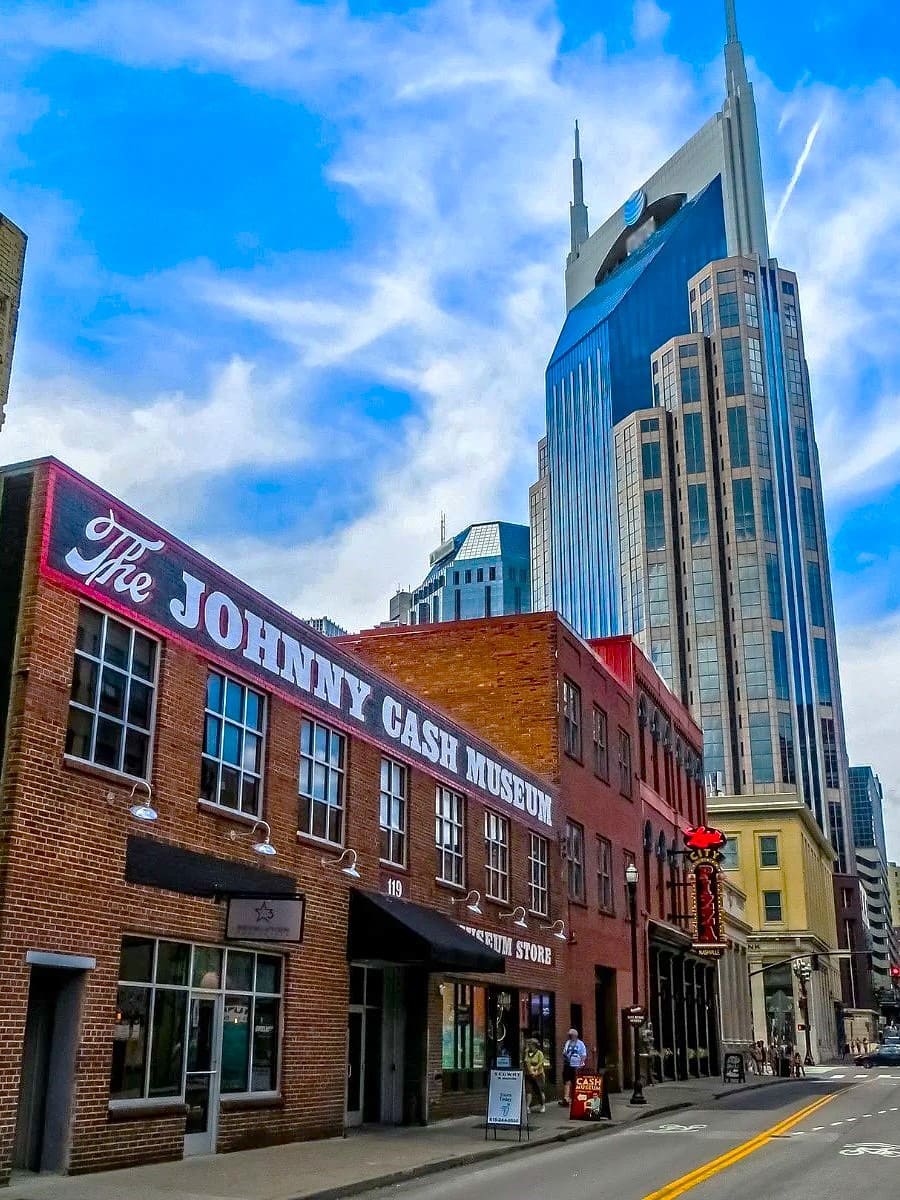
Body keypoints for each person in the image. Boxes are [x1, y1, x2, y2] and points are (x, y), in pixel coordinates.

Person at [560, 1027, 588, 1105]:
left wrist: (581, 1064)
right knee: (567, 1081)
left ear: (575, 1035)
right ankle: (566, 1098)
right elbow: (564, 1052)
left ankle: (576, 1098)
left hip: (576, 1065)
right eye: (569, 1035)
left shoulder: (580, 1043)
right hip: (568, 1064)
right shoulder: (568, 1042)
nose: (570, 1036)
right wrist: (565, 1056)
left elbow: (583, 1054)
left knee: (575, 1082)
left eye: (571, 1035)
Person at [523, 1038, 546, 1113]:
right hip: (529, 1074)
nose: (528, 1046)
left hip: (538, 1075)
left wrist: (535, 1068)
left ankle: (542, 1105)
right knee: (528, 1091)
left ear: (534, 1045)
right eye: (528, 1044)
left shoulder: (539, 1053)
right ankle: (527, 1107)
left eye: (530, 1044)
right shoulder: (527, 1052)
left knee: (539, 1091)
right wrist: (530, 1071)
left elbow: (541, 1062)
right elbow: (526, 1061)